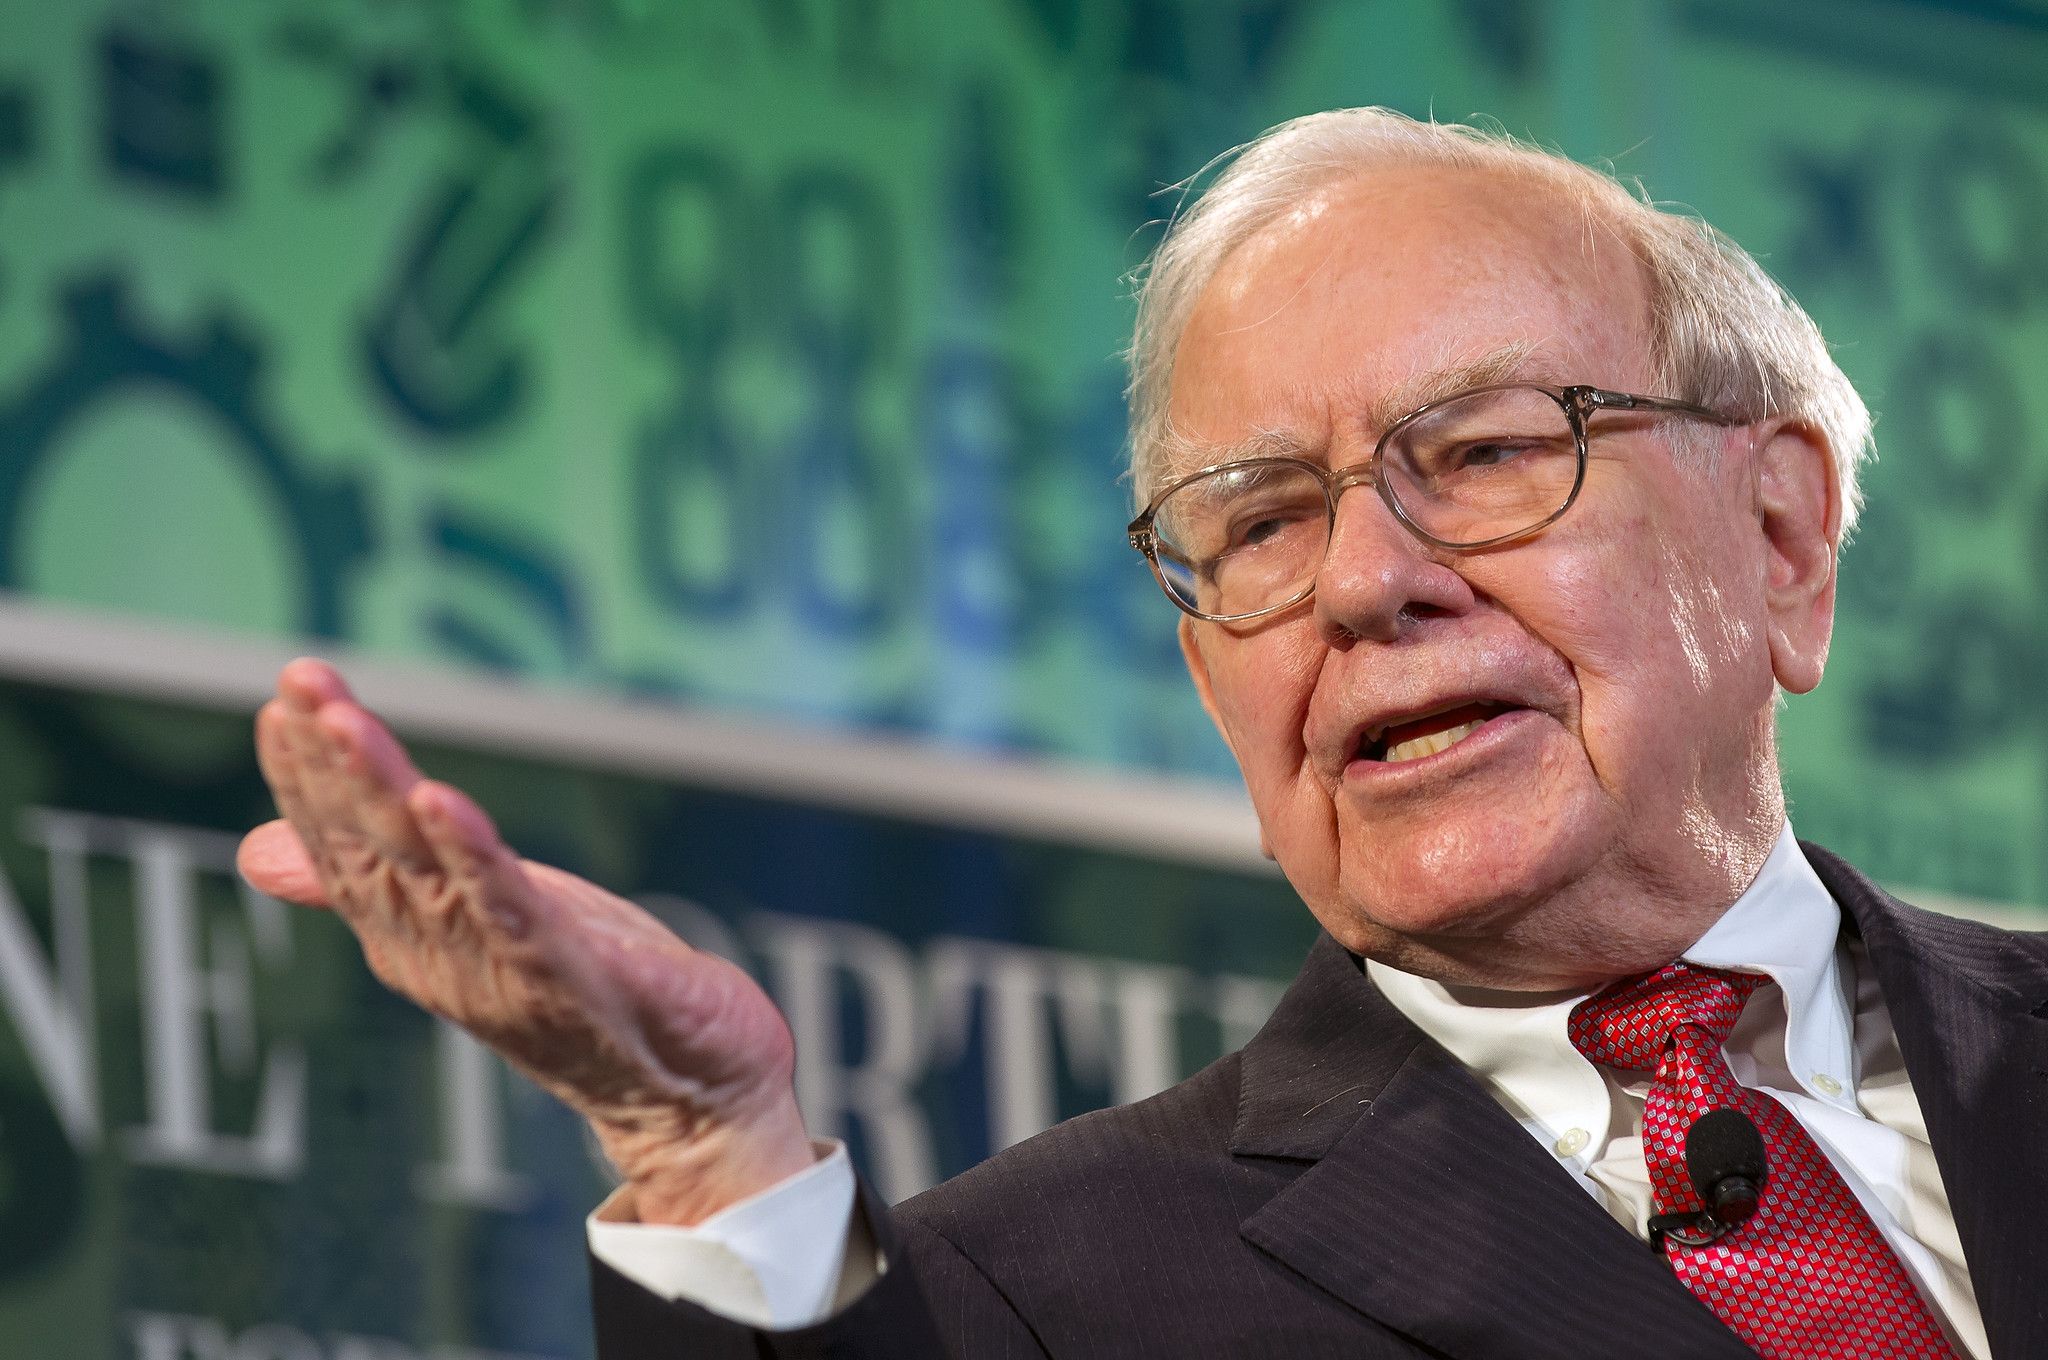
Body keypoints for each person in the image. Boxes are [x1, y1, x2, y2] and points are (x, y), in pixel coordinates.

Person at [237, 109, 2048, 1359]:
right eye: (1257, 522)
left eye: (1488, 451)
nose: (1360, 582)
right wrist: (709, 1150)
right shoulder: (1029, 1298)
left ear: (1784, 536)